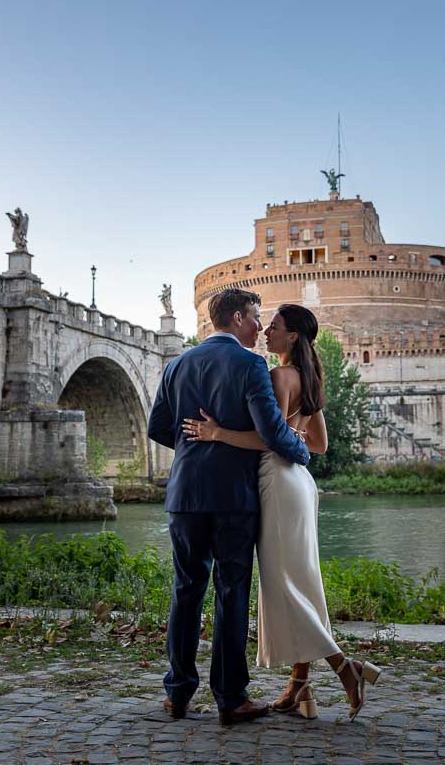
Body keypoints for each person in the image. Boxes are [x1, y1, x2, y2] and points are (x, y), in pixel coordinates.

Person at [181, 304, 380, 721]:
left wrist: (217, 432)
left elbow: (267, 438)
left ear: (292, 337)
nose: (266, 331)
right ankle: (298, 687)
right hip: (302, 485)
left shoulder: (275, 376)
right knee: (303, 581)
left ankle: (347, 669)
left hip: (275, 480)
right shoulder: (310, 380)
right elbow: (319, 446)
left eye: (274, 327)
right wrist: (293, 432)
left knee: (284, 585)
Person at [146, 289, 310, 726]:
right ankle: (231, 699)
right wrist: (304, 451)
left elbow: (157, 426)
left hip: (184, 495)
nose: (260, 328)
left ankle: (177, 694)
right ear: (237, 318)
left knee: (186, 591)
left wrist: (189, 446)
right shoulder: (250, 364)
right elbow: (273, 432)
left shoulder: (176, 364)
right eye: (256, 318)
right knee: (231, 592)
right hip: (233, 497)